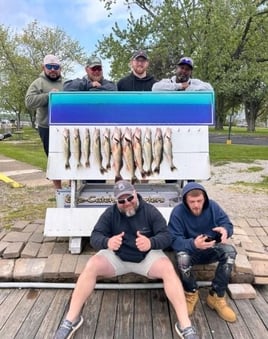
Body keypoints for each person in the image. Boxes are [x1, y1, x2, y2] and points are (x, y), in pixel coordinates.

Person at [54, 180, 199, 339]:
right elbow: (95, 236)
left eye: (130, 198)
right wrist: (107, 242)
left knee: (168, 269)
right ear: (116, 201)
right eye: (121, 201)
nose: (127, 203)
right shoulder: (110, 213)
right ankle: (71, 319)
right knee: (91, 265)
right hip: (118, 258)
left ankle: (185, 325)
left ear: (135, 193)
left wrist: (151, 242)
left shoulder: (150, 211)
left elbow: (166, 236)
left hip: (146, 257)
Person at [168, 182, 237, 323]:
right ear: (185, 201)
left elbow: (227, 224)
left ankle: (216, 296)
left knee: (230, 252)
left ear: (204, 198)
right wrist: (193, 244)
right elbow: (173, 240)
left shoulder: (213, 206)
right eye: (192, 202)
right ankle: (191, 292)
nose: (196, 205)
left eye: (199, 201)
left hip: (211, 248)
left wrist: (226, 231)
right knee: (181, 258)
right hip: (190, 252)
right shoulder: (178, 212)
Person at [25, 54, 64, 189]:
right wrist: (48, 96)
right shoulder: (38, 83)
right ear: (44, 67)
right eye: (49, 67)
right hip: (47, 127)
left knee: (70, 156)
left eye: (55, 67)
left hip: (65, 128)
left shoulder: (66, 84)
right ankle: (58, 190)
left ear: (60, 68)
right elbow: (29, 102)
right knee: (53, 159)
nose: (52, 70)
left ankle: (71, 188)